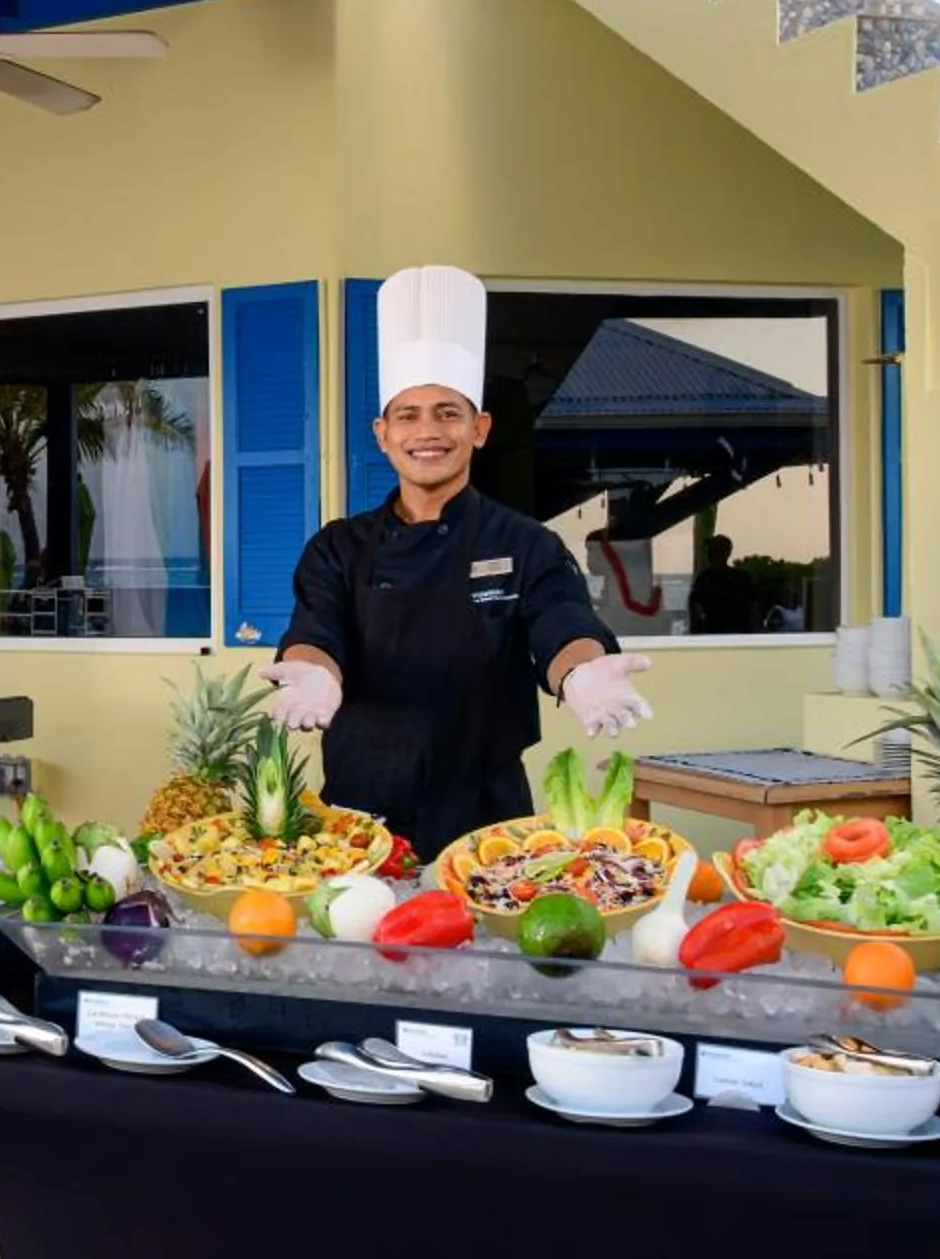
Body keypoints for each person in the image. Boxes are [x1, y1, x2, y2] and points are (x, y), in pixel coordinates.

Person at [256, 266, 655, 856]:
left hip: (488, 813)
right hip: (357, 815)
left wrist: (580, 672)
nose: (428, 431)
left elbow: (560, 624)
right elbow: (317, 633)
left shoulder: (526, 543)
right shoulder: (338, 547)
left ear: (480, 429)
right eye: (408, 415)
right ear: (382, 433)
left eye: (448, 412)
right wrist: (314, 671)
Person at [687, 533, 759, 636]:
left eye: (712, 549)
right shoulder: (742, 578)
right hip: (736, 637)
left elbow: (693, 609)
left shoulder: (705, 579)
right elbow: (753, 611)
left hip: (715, 637)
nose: (708, 553)